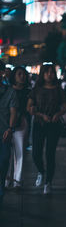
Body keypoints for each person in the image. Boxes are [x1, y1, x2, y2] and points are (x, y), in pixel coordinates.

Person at [27, 64, 66, 194]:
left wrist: (58, 114)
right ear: (42, 74)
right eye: (47, 72)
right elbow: (29, 107)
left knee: (50, 154)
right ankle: (41, 171)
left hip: (53, 125)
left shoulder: (58, 89)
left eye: (51, 72)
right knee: (36, 153)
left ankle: (48, 182)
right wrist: (39, 114)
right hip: (39, 123)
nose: (49, 74)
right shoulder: (36, 89)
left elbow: (65, 106)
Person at [5, 67, 30, 189]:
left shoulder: (28, 92)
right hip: (7, 123)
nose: (22, 76)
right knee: (6, 154)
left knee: (20, 153)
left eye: (24, 74)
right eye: (19, 74)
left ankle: (17, 181)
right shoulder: (8, 90)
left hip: (22, 124)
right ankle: (6, 180)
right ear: (14, 76)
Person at [0, 61, 18, 208]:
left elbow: (13, 112)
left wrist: (10, 129)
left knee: (4, 161)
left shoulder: (10, 92)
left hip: (4, 132)